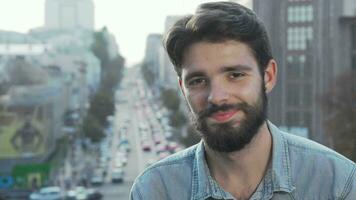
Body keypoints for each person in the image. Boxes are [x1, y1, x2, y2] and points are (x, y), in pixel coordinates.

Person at [130, 2, 356, 199]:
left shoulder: (338, 184)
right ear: (183, 88)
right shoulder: (154, 190)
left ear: (268, 76)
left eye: (235, 75)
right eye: (198, 81)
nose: (217, 97)